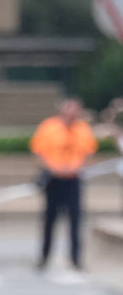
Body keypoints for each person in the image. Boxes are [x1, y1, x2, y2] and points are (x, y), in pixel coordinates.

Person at [30, 98, 97, 270]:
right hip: (54, 179)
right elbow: (38, 152)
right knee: (49, 220)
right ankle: (44, 257)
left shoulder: (82, 129)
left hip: (73, 179)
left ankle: (75, 259)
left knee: (75, 220)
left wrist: (75, 168)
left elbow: (89, 153)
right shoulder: (49, 127)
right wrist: (54, 168)